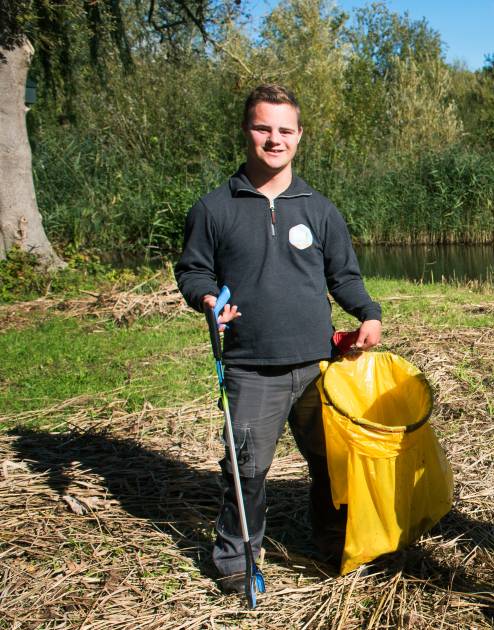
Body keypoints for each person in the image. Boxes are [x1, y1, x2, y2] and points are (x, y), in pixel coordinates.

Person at [174, 84, 383, 592]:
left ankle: (336, 547)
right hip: (249, 366)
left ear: (299, 136)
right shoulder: (214, 208)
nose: (275, 139)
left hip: (318, 366)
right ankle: (237, 560)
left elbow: (345, 277)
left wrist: (368, 313)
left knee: (332, 466)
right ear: (247, 132)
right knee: (245, 471)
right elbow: (193, 272)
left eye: (285, 130)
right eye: (264, 128)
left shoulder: (319, 208)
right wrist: (207, 300)